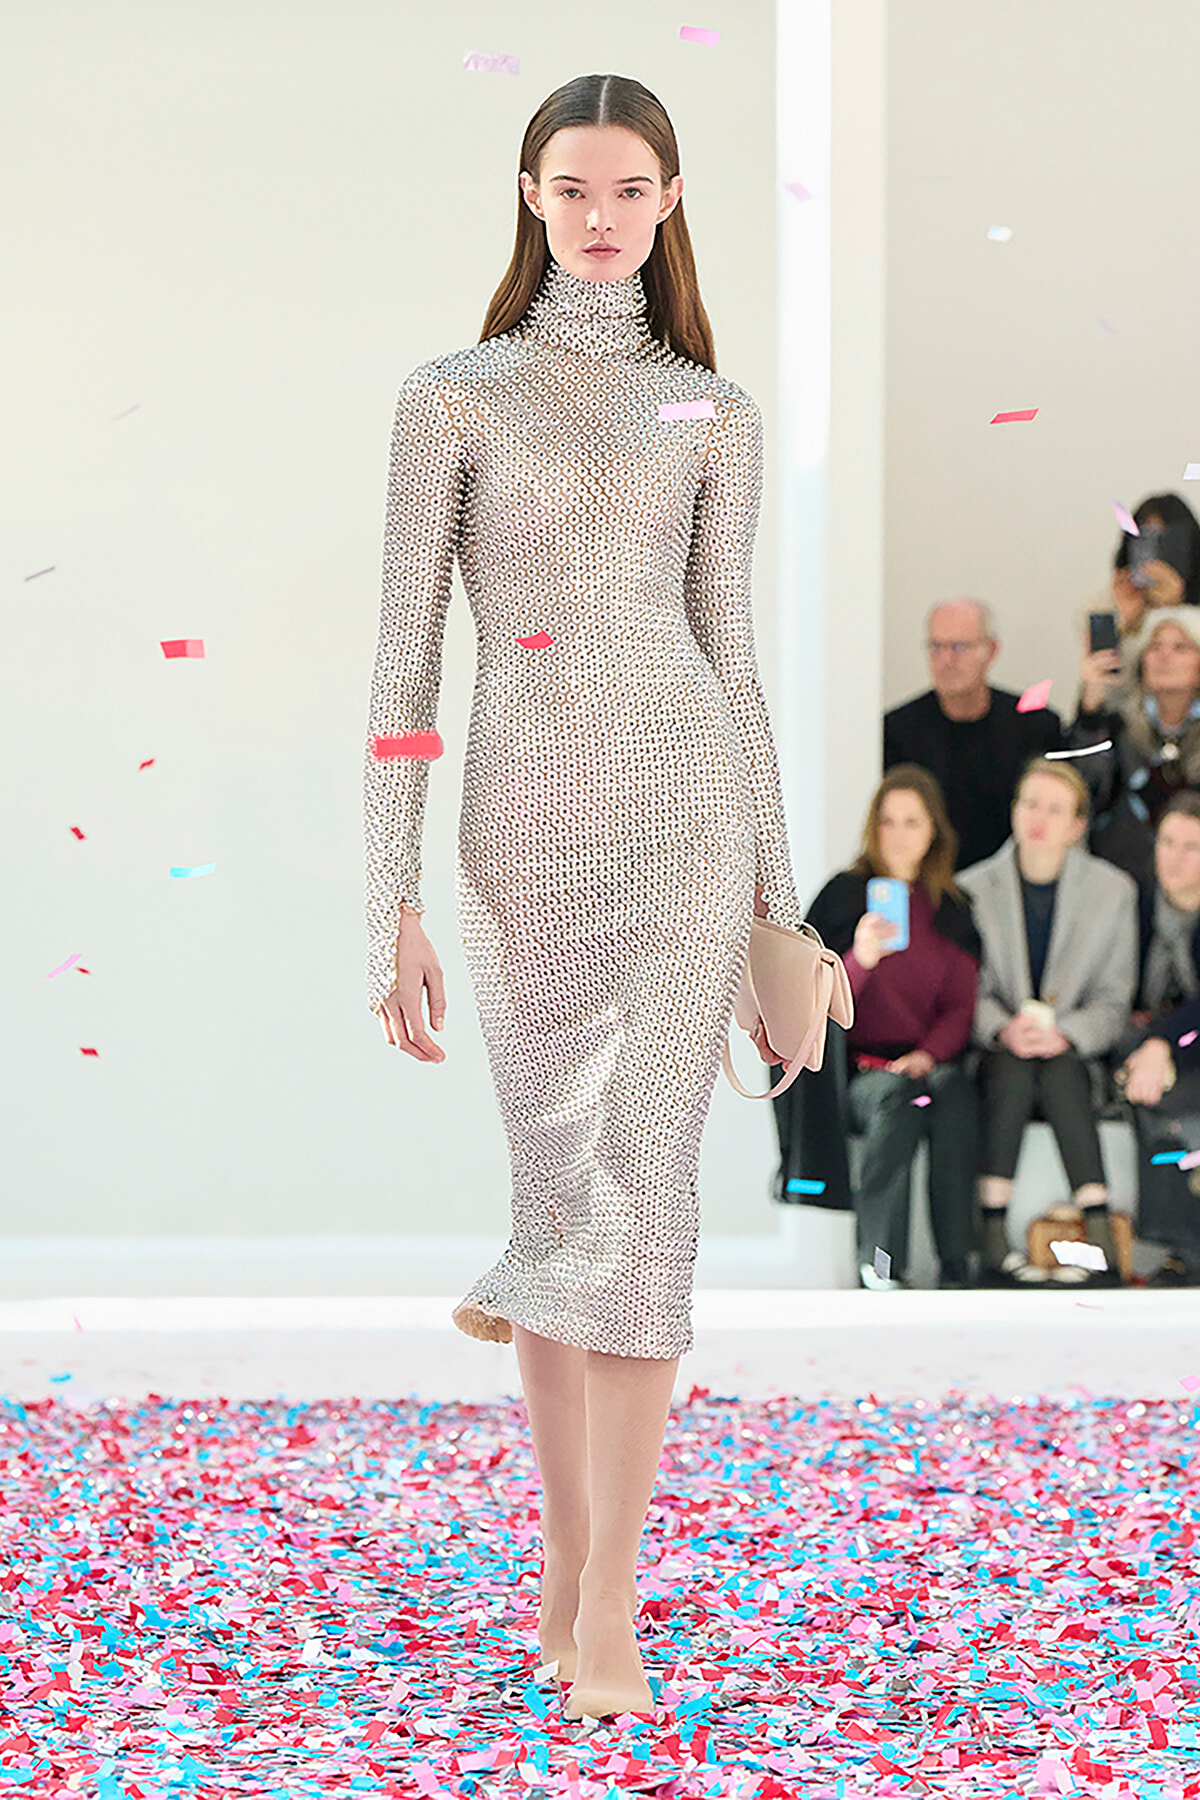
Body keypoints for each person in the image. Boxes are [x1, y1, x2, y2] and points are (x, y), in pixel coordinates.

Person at [363, 75, 802, 1722]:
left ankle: (608, 1595)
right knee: (562, 1206)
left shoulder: (714, 413)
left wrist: (776, 921)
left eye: (629, 187)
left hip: (687, 827)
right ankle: (566, 1562)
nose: (601, 213)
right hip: (522, 838)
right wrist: (385, 895)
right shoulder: (451, 400)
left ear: (672, 199)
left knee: (649, 1206)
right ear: (531, 196)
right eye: (572, 187)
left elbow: (735, 671)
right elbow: (404, 667)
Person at [770, 766, 981, 1291]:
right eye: (888, 822)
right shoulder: (843, 898)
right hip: (860, 1072)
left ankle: (958, 1262)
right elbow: (812, 1001)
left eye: (913, 821)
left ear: (933, 830)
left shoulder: (951, 911)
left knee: (951, 1097)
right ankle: (882, 1263)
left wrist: (929, 1055)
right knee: (897, 1102)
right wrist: (859, 960)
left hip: (927, 1064)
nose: (900, 834)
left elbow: (961, 1005)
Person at [958, 759, 1138, 1288]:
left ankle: (1099, 1231)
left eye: (1055, 809)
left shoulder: (1113, 892)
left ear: (1077, 825)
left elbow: (1114, 998)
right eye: (1030, 804)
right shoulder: (971, 888)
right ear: (1014, 811)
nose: (1039, 818)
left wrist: (1066, 1032)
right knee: (1014, 1068)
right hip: (998, 1051)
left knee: (1059, 1068)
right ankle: (994, 1240)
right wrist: (1002, 1027)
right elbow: (967, 987)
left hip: (1074, 1051)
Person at [883, 598, 1065, 871]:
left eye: (959, 647)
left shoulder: (1035, 727)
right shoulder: (897, 731)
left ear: (991, 651)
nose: (946, 660)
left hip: (1013, 887)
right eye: (936, 647)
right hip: (929, 886)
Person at [1110, 792, 1200, 1286]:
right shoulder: (1135, 904)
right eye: (1168, 842)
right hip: (1143, 1049)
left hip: (1181, 1047)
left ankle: (1183, 1248)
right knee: (1153, 1097)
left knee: (1158, 1100)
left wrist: (1164, 1042)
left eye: (1191, 846)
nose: (1175, 857)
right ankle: (1182, 1248)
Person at [1069, 606, 1200, 886]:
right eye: (1154, 646)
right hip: (1121, 878)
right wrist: (1091, 711)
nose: (1164, 656)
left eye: (1181, 647)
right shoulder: (1118, 725)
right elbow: (1085, 788)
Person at [1108, 492, 1200, 643]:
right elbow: (1101, 664)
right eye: (1143, 537)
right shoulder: (1108, 605)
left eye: (1163, 538)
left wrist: (1176, 608)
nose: (1150, 553)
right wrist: (1127, 624)